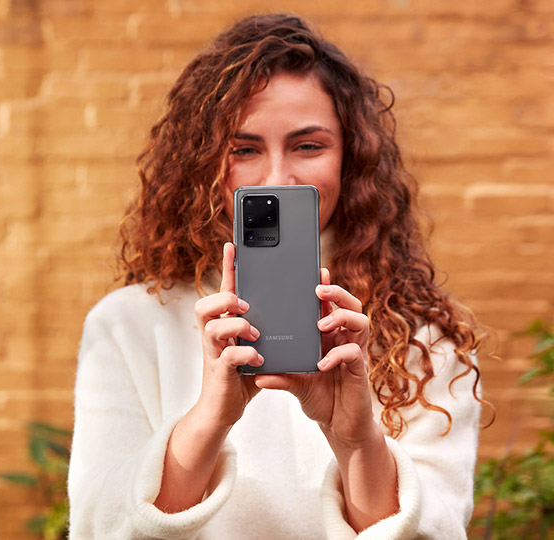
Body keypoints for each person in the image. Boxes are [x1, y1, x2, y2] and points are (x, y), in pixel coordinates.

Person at [68, 13, 490, 539]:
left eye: (308, 146)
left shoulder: (426, 337)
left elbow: (438, 532)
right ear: (205, 165)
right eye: (244, 149)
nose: (277, 179)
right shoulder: (125, 325)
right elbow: (97, 527)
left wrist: (356, 441)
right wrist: (208, 420)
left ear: (351, 160)